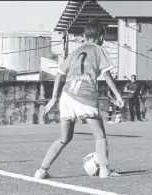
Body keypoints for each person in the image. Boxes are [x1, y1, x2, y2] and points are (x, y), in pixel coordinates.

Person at [34, 19, 124, 179]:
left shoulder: (75, 52)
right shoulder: (99, 50)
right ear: (101, 37)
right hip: (85, 94)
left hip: (67, 96)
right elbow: (107, 74)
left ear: (85, 36)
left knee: (64, 138)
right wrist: (117, 95)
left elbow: (59, 74)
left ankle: (41, 171)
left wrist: (54, 98)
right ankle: (104, 170)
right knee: (100, 136)